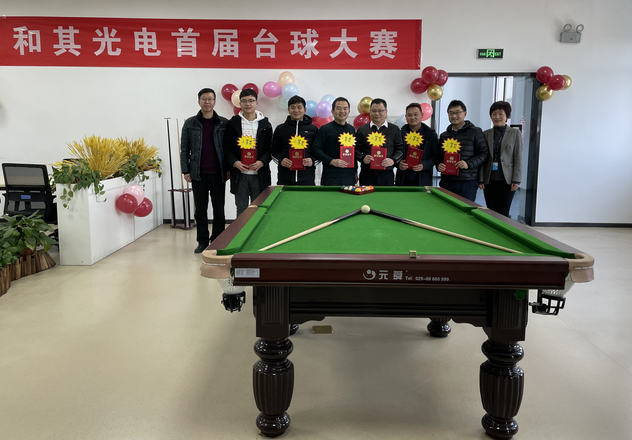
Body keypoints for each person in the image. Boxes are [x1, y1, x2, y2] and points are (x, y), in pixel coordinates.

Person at [180, 88, 228, 254]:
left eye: (210, 99)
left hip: (218, 173)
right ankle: (202, 241)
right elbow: (184, 149)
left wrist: (229, 169)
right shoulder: (190, 123)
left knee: (219, 210)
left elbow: (228, 148)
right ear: (199, 101)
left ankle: (217, 241)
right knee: (200, 210)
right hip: (198, 173)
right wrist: (186, 170)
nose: (207, 102)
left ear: (215, 102)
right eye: (204, 99)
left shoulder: (223, 123)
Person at [223, 89, 272, 218]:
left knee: (258, 208)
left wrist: (262, 162)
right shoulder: (233, 123)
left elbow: (270, 149)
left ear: (256, 103)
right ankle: (241, 231)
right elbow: (226, 148)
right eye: (244, 101)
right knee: (241, 207)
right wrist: (235, 162)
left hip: (259, 174)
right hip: (240, 175)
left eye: (251, 100)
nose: (247, 104)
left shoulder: (265, 124)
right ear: (239, 103)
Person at [437, 100, 488, 201]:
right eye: (451, 113)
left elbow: (483, 153)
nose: (454, 116)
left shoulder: (475, 132)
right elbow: (439, 155)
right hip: (447, 180)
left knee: (465, 208)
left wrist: (468, 164)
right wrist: (439, 165)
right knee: (445, 208)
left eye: (457, 112)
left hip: (467, 181)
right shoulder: (444, 136)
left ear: (465, 113)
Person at [479, 101, 523, 217]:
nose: (497, 117)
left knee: (504, 212)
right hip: (489, 179)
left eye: (500, 114)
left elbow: (518, 157)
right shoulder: (485, 134)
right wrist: (481, 179)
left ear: (507, 115)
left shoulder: (515, 133)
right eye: (494, 114)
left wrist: (516, 179)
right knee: (491, 211)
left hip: (507, 180)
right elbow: (483, 157)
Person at [355, 98, 404, 186]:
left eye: (380, 110)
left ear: (386, 112)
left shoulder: (394, 129)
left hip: (387, 174)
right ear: (370, 112)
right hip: (367, 174)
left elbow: (400, 149)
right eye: (374, 111)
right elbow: (356, 150)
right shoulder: (362, 129)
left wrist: (393, 160)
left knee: (386, 195)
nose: (377, 113)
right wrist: (363, 158)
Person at [271, 95, 318, 185]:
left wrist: (312, 161)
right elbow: (273, 150)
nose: (296, 110)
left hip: (307, 178)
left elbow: (319, 151)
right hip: (285, 178)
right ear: (288, 110)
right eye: (293, 107)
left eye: (299, 107)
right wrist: (281, 160)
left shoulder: (314, 129)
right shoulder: (280, 129)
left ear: (305, 110)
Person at [311, 97, 357, 186]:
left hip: (349, 176)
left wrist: (355, 172)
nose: (342, 111)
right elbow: (315, 149)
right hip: (330, 176)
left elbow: (353, 152)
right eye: (338, 108)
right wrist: (331, 161)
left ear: (349, 111)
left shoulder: (351, 129)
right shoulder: (325, 129)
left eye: (345, 108)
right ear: (332, 111)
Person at [396, 103, 439, 186]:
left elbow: (435, 155)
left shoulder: (430, 134)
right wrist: (398, 163)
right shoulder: (400, 133)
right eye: (409, 115)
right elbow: (395, 152)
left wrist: (424, 165)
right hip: (403, 179)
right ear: (406, 117)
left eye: (416, 114)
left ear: (422, 115)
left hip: (423, 178)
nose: (412, 117)